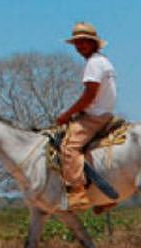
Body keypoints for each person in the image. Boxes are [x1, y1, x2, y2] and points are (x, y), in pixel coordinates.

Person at [55, 22, 117, 212]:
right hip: (103, 113)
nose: (79, 46)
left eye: (83, 42)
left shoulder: (94, 64)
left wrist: (67, 114)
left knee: (68, 147)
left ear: (93, 43)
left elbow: (89, 95)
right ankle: (103, 194)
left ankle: (78, 193)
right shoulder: (102, 60)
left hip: (94, 116)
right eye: (77, 43)